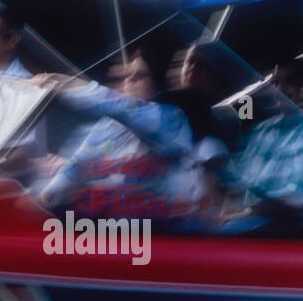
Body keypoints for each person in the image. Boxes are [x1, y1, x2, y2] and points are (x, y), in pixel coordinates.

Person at [33, 51, 201, 222]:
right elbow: (76, 165)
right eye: (127, 75)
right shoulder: (109, 126)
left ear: (157, 84)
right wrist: (43, 198)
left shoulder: (170, 118)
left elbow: (111, 103)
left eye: (141, 76)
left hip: (166, 233)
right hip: (118, 232)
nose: (129, 80)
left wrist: (58, 80)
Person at [220, 69, 303, 236]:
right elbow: (240, 185)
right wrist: (226, 209)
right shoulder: (263, 130)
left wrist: (244, 212)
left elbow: (300, 201)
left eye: (290, 82)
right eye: (276, 82)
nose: (280, 88)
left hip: (301, 233)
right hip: (256, 224)